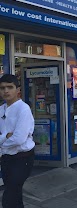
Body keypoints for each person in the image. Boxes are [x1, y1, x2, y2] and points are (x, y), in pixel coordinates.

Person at [0, 74, 35, 208]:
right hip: (6, 158)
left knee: (9, 196)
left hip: (22, 159)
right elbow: (7, 136)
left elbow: (19, 139)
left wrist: (3, 143)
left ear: (18, 90)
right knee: (14, 193)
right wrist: (5, 137)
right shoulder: (1, 110)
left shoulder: (23, 109)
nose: (6, 91)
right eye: (2, 88)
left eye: (10, 87)